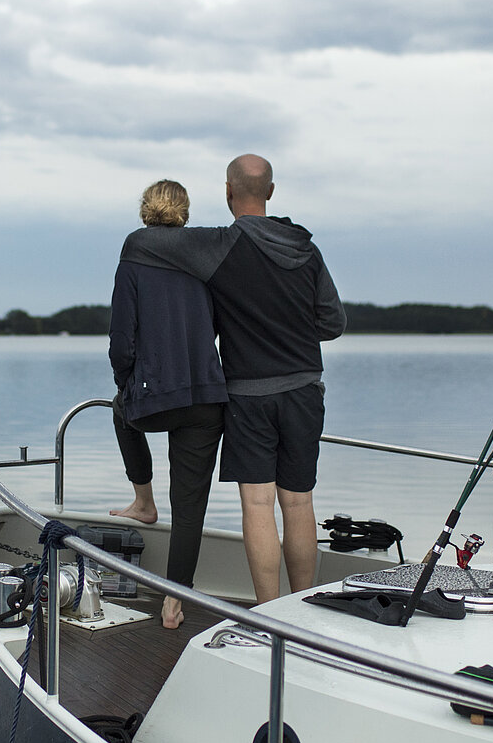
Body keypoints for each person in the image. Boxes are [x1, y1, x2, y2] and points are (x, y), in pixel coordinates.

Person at [119, 155, 343, 603]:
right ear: (272, 192)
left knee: (259, 505)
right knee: (299, 504)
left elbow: (145, 243)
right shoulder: (307, 249)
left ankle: (271, 615)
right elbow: (332, 323)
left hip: (248, 397)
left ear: (228, 192)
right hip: (304, 391)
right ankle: (305, 614)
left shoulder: (221, 245)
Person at [108, 179, 228, 629]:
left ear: (146, 209)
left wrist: (127, 381)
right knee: (191, 504)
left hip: (156, 394)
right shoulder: (205, 256)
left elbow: (123, 336)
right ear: (185, 212)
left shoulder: (134, 251)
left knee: (121, 413)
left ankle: (143, 501)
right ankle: (175, 603)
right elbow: (217, 323)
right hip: (207, 395)